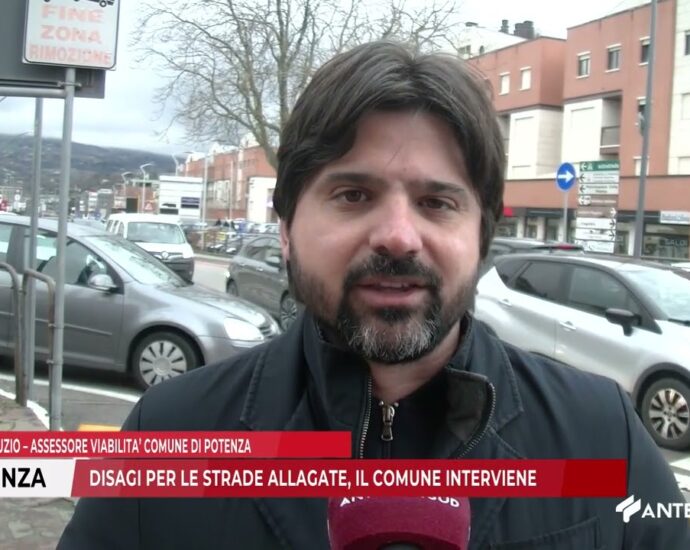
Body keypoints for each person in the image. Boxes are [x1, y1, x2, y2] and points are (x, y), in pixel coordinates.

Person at [58, 41, 689, 549]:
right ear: (286, 228)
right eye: (353, 195)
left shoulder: (603, 434)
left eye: (436, 202)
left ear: (481, 235)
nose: (397, 236)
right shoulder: (170, 433)